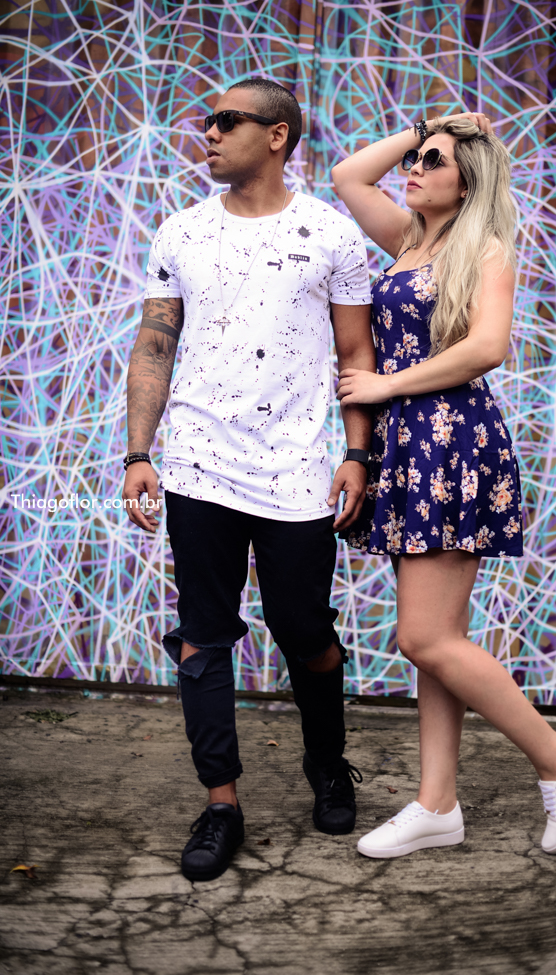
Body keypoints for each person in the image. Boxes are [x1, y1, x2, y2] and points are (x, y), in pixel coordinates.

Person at [331, 115, 556, 859]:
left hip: (453, 443)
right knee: (436, 641)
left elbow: (488, 346)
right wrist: (427, 126)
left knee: (423, 637)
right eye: (415, 159)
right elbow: (349, 176)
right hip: (407, 448)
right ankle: (437, 804)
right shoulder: (407, 240)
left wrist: (385, 385)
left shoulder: (482, 247)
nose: (413, 169)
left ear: (467, 182)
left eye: (432, 161)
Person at [122, 77, 375, 882]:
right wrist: (137, 453)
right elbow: (154, 345)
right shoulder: (182, 231)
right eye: (206, 121)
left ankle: (326, 764)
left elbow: (355, 355)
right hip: (198, 466)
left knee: (305, 632)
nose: (208, 132)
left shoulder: (331, 235)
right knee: (203, 637)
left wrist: (357, 453)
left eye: (226, 121)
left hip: (297, 470)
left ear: (276, 136)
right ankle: (221, 804)